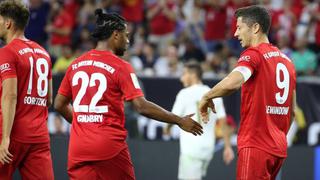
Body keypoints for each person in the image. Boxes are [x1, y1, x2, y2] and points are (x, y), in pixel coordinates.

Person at [54, 9, 203, 180]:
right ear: (115, 35)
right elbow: (141, 106)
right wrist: (179, 120)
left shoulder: (75, 64)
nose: (128, 41)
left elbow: (59, 104)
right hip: (109, 148)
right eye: (126, 35)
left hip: (78, 148)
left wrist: (83, 123)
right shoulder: (121, 66)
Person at [199, 5, 297, 180]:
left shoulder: (253, 54)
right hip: (278, 149)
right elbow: (292, 111)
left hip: (256, 145)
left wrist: (207, 96)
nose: (235, 34)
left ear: (255, 28)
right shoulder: (288, 61)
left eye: (239, 27)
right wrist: (277, 137)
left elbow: (233, 82)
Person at [0, 1, 54, 179]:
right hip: (38, 136)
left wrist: (5, 138)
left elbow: (10, 95)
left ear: (8, 23)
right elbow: (48, 99)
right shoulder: (44, 53)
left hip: (11, 132)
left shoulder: (7, 52)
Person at [164, 61, 234, 180]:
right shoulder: (213, 93)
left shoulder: (184, 94)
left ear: (192, 75)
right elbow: (223, 122)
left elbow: (173, 118)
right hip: (208, 150)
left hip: (191, 150)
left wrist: (167, 129)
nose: (182, 78)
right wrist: (228, 147)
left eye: (184, 74)